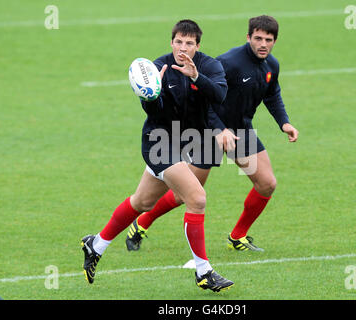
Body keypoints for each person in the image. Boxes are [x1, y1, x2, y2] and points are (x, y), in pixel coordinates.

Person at [81, 19, 234, 292]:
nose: (183, 48)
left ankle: (96, 244)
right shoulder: (157, 67)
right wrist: (152, 96)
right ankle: (204, 271)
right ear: (171, 42)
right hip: (159, 142)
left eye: (189, 43)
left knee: (142, 202)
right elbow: (154, 113)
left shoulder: (210, 66)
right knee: (197, 198)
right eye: (178, 42)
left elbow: (220, 96)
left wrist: (196, 77)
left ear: (198, 46)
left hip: (188, 142)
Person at [125, 15, 299, 252]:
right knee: (186, 194)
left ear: (275, 41)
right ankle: (142, 223)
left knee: (266, 184)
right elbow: (204, 96)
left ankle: (238, 236)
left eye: (268, 40)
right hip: (207, 131)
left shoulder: (271, 66)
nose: (263, 44)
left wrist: (284, 123)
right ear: (248, 37)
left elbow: (271, 93)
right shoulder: (229, 62)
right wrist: (219, 129)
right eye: (257, 38)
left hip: (240, 133)